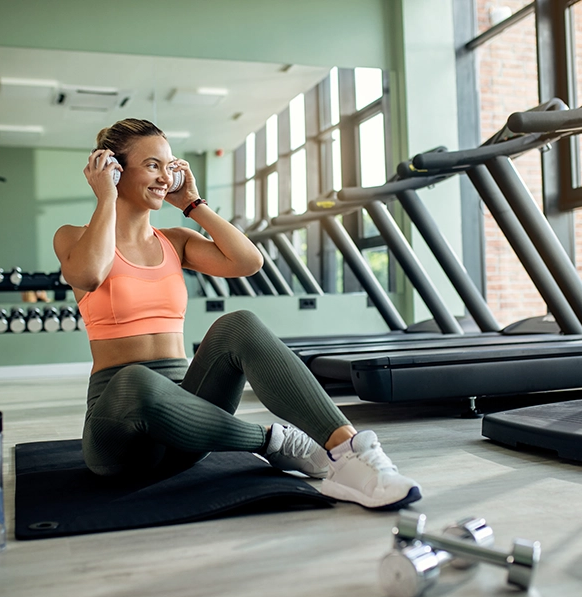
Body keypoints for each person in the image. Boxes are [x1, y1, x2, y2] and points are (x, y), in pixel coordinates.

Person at [53, 118, 421, 510]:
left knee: (239, 323)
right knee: (135, 380)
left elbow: (248, 262)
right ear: (114, 169)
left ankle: (347, 451)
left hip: (187, 427)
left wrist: (193, 205)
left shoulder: (175, 242)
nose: (164, 177)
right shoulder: (73, 236)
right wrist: (105, 197)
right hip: (120, 435)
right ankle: (272, 441)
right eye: (152, 165)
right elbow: (90, 275)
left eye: (169, 165)